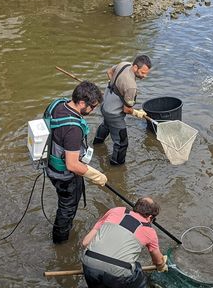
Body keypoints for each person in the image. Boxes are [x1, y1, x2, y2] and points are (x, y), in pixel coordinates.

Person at [43, 81, 108, 244]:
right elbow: (72, 165)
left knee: (64, 205)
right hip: (64, 176)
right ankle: (61, 242)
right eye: (92, 107)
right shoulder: (73, 129)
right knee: (66, 209)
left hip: (51, 166)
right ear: (81, 103)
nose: (92, 111)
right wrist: (96, 175)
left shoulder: (57, 105)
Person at [81, 197, 168, 288]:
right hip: (118, 272)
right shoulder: (149, 231)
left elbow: (85, 242)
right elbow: (158, 262)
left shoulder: (115, 211)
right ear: (150, 217)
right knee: (137, 270)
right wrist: (162, 265)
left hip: (89, 261)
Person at [93, 55, 152, 165]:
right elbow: (126, 109)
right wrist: (137, 113)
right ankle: (116, 167)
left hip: (105, 103)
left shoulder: (124, 64)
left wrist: (114, 86)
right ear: (135, 67)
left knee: (106, 124)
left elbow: (109, 72)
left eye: (147, 73)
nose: (145, 76)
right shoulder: (131, 86)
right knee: (122, 143)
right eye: (143, 73)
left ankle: (97, 143)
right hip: (114, 114)